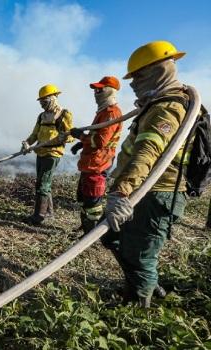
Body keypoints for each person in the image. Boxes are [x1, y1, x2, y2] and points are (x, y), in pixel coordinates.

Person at [102, 41, 193, 307]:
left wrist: (121, 191)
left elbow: (146, 153)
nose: (133, 84)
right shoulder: (160, 102)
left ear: (158, 70)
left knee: (141, 254)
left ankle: (139, 308)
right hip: (145, 191)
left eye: (138, 76)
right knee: (115, 238)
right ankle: (145, 284)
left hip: (156, 194)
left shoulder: (166, 108)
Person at [69, 77, 123, 234]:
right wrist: (82, 143)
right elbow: (97, 136)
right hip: (92, 161)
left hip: (99, 164)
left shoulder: (111, 113)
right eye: (95, 90)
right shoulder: (103, 112)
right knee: (85, 196)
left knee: (93, 200)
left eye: (99, 90)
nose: (96, 93)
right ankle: (85, 225)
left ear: (109, 91)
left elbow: (100, 141)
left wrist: (80, 136)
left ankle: (90, 233)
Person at [21, 84, 74, 224]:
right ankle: (48, 212)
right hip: (41, 152)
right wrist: (27, 143)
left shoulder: (63, 114)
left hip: (53, 153)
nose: (42, 105)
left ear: (53, 98)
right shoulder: (41, 117)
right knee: (43, 183)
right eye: (41, 102)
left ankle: (39, 217)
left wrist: (64, 137)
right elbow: (35, 135)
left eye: (45, 101)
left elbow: (71, 135)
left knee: (42, 185)